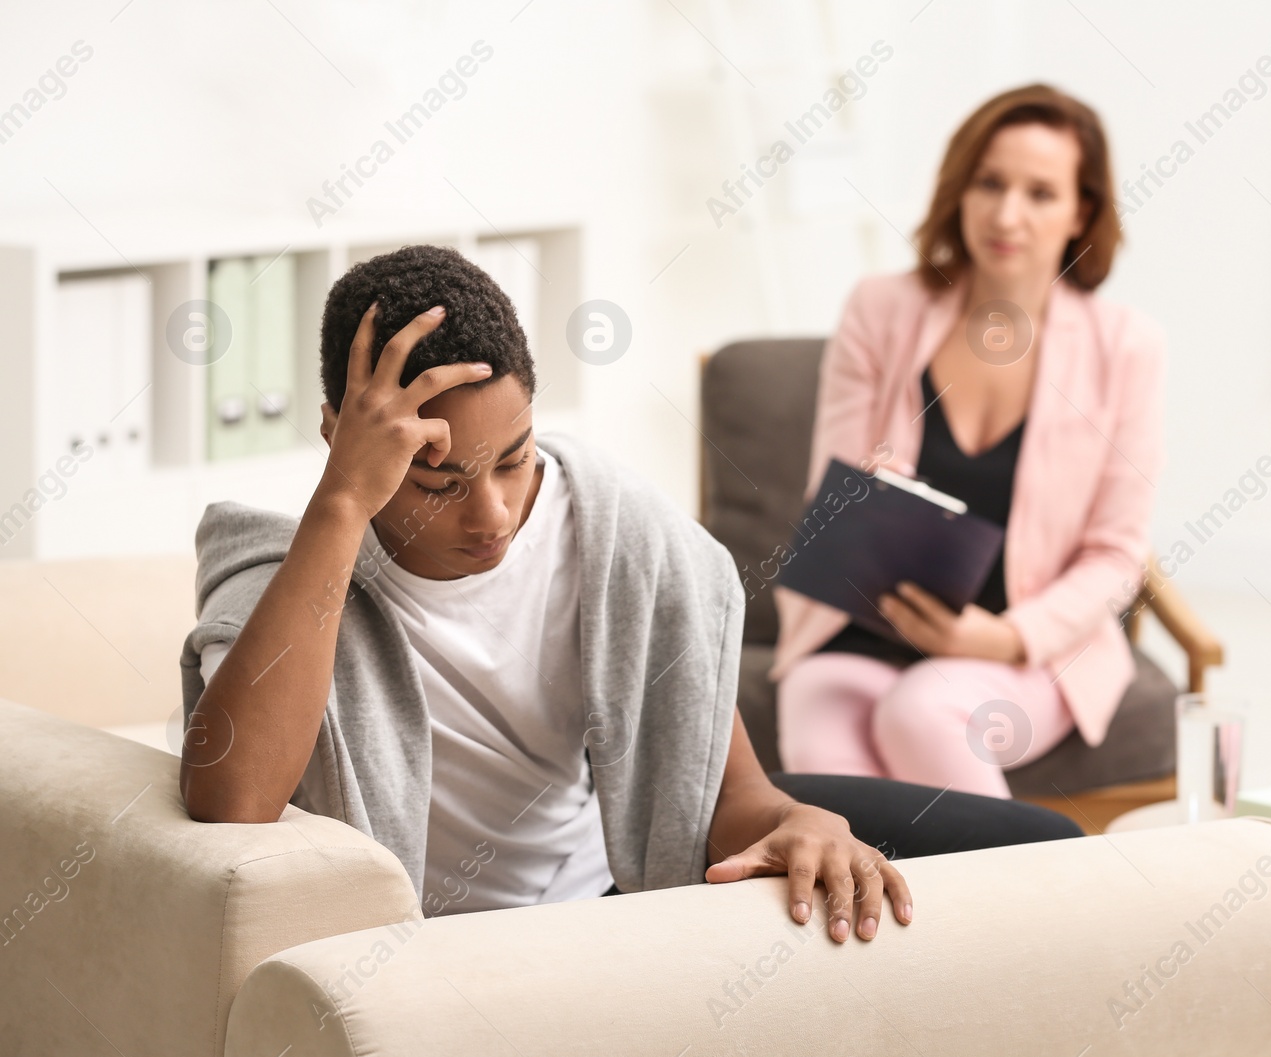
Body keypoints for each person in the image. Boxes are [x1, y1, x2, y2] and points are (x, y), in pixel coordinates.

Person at [179, 245, 1079, 944]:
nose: (490, 514)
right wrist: (341, 506)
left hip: (623, 886)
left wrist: (804, 823)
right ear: (340, 435)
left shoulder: (613, 532)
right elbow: (232, 802)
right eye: (437, 481)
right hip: (454, 953)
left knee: (1047, 856)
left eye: (515, 456)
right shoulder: (288, 573)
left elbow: (727, 800)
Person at [772, 84, 1166, 800]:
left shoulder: (1124, 348)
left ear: (1081, 210)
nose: (1007, 213)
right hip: (867, 631)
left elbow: (1117, 555)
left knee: (925, 709)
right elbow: (819, 500)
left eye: (1040, 193)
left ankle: (1017, 911)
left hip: (1027, 652)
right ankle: (871, 914)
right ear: (960, 188)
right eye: (990, 183)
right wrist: (865, 494)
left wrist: (1003, 639)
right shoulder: (880, 310)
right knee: (822, 765)